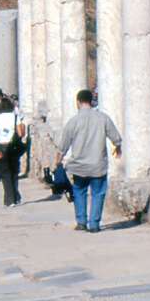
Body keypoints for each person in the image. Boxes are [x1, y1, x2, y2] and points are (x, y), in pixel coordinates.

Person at [55, 89, 122, 233]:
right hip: (98, 164)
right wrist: (118, 147)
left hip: (79, 165)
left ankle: (81, 222)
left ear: (78, 102)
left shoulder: (73, 121)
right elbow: (115, 137)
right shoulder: (103, 118)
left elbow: (63, 146)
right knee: (98, 192)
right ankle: (94, 224)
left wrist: (58, 162)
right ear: (91, 101)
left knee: (79, 191)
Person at [0, 97, 26, 207]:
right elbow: (20, 134)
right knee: (14, 172)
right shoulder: (15, 116)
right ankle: (15, 197)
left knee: (5, 173)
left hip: (2, 146)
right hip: (13, 146)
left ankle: (9, 200)